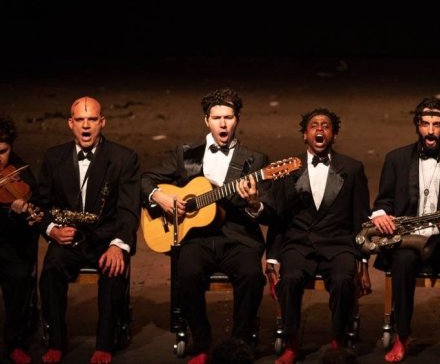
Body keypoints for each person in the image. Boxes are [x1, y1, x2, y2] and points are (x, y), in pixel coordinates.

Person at [141, 88, 269, 364]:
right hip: (196, 239)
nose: (223, 124)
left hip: (238, 239)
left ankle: (239, 343)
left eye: (228, 117)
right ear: (206, 121)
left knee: (252, 276)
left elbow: (270, 211)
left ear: (237, 119)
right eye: (216, 118)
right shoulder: (186, 153)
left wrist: (254, 203)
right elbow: (145, 180)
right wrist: (159, 196)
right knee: (186, 274)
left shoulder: (255, 160)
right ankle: (202, 343)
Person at [370, 97, 440, 363]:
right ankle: (402, 336)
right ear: (417, 126)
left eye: (437, 125)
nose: (430, 131)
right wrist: (380, 215)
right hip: (409, 238)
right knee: (402, 263)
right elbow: (383, 201)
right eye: (425, 124)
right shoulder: (396, 159)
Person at [35, 97, 140, 364]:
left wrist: (118, 245)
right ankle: (56, 341)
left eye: (92, 119)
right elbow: (41, 205)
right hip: (68, 240)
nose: (86, 126)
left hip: (107, 239)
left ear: (102, 122)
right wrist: (52, 230)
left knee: (114, 271)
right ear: (70, 123)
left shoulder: (124, 158)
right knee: (50, 270)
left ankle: (105, 344)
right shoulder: (53, 157)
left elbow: (128, 210)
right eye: (80, 120)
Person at [264, 108, 371, 364]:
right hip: (299, 244)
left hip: (338, 244)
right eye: (313, 125)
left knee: (343, 281)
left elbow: (361, 220)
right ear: (305, 135)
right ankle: (291, 343)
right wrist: (272, 260)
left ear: (334, 135)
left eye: (326, 125)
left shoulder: (352, 169)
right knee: (290, 280)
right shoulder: (288, 169)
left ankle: (338, 342)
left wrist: (364, 264)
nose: (320, 129)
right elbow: (278, 218)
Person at [0, 114, 39, 364]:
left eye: (3, 152)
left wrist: (16, 214)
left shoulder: (20, 171)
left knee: (18, 276)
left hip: (11, 246)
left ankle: (15, 343)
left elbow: (36, 205)